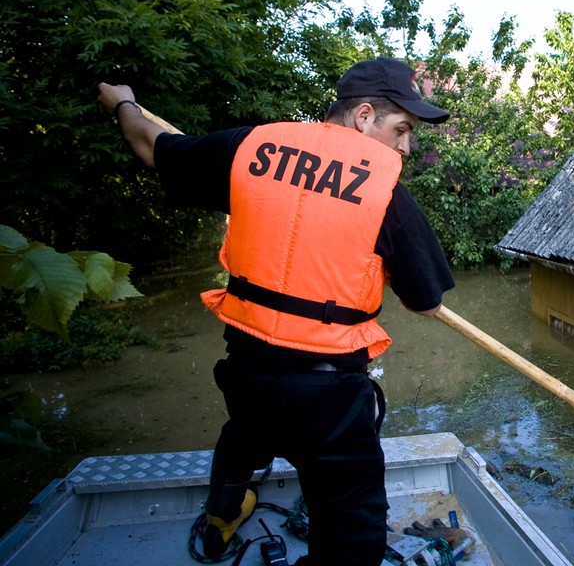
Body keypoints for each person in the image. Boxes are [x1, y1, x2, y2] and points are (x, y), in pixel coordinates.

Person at [97, 57, 455, 566]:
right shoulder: (387, 195)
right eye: (402, 129)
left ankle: (222, 517)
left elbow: (148, 145)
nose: (405, 147)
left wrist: (124, 102)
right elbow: (426, 303)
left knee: (242, 437)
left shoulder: (248, 148)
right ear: (364, 116)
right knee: (355, 535)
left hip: (247, 376)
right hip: (328, 400)